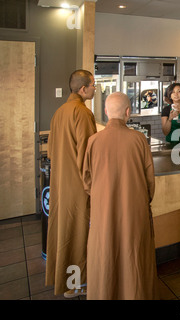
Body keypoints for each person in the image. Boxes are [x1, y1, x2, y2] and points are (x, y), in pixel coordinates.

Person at [82, 92, 159, 300]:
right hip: (134, 211)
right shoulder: (139, 139)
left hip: (103, 211)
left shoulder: (93, 141)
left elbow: (87, 180)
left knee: (105, 253)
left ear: (106, 112)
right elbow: (149, 181)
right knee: (134, 256)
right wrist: (142, 201)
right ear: (128, 112)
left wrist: (102, 196)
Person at [46, 69, 97, 298]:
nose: (96, 89)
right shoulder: (82, 113)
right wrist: (92, 187)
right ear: (83, 89)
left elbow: (50, 152)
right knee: (78, 236)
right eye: (93, 85)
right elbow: (88, 157)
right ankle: (78, 284)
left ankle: (63, 280)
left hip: (60, 184)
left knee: (63, 232)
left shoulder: (59, 112)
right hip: (78, 187)